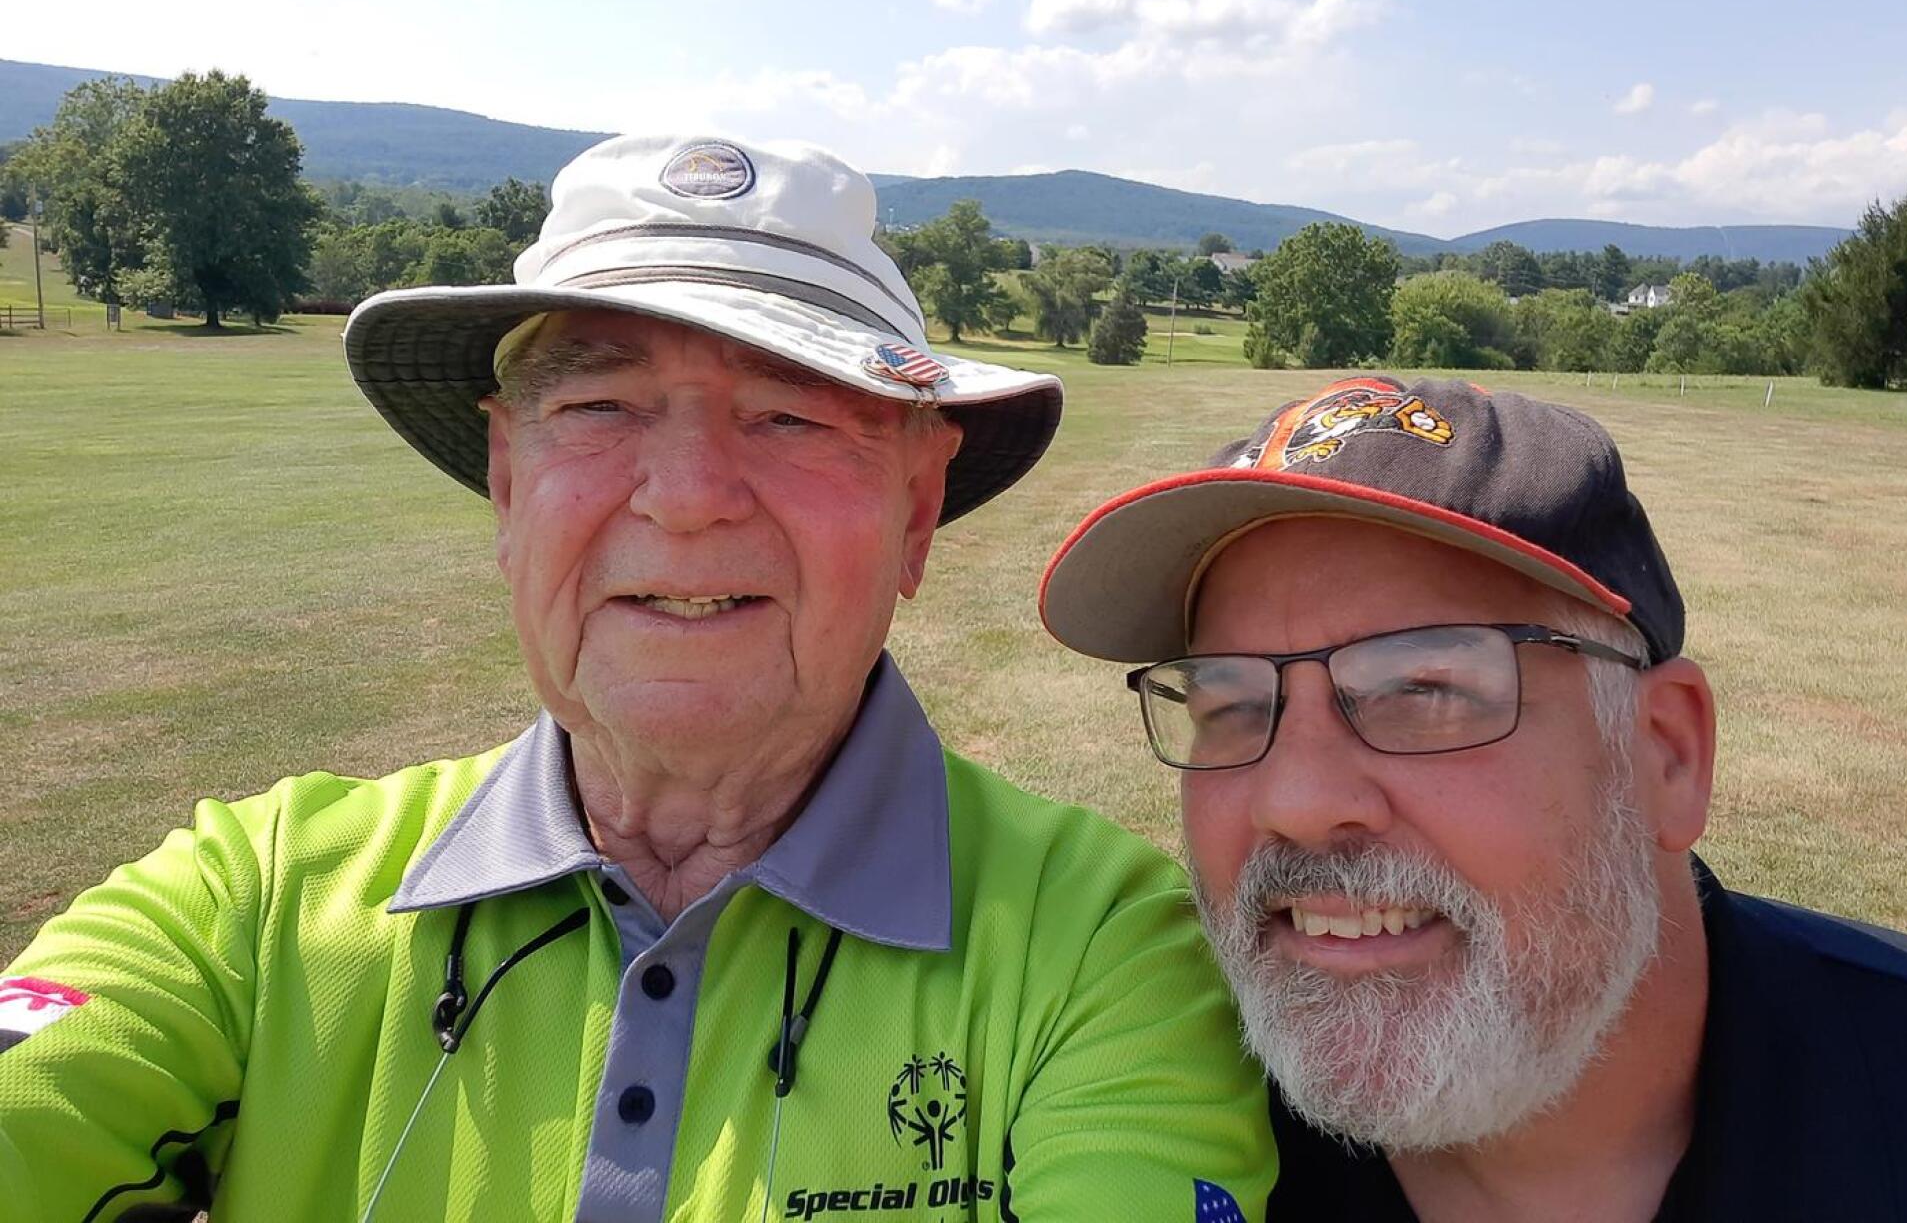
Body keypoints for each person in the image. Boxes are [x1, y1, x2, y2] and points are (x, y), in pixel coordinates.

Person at [0, 135, 1274, 1221]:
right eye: (601, 408)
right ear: (508, 484)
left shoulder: (1108, 949)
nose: (685, 500)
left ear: (917, 507)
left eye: (793, 417)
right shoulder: (256, 900)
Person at [1039, 374, 1907, 1222]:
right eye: (1228, 705)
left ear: (1668, 756)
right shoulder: (1158, 1107)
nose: (1297, 802)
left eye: (1423, 690)